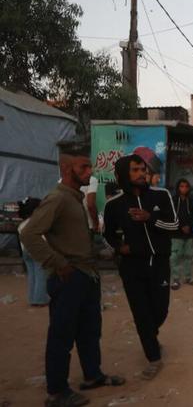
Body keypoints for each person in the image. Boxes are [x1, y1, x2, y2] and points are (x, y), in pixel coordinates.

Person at [20, 139, 125, 407]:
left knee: (90, 330)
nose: (90, 172)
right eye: (84, 167)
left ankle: (93, 375)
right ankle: (57, 392)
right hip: (70, 277)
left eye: (90, 166)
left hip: (86, 274)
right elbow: (29, 233)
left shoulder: (74, 198)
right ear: (67, 169)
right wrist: (57, 263)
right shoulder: (57, 198)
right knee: (62, 335)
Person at [103, 154, 178, 380]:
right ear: (124, 174)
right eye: (135, 170)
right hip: (131, 266)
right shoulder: (114, 205)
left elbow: (174, 225)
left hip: (159, 263)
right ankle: (153, 357)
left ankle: (150, 334)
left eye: (142, 170)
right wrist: (119, 247)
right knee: (140, 312)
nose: (141, 174)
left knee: (160, 309)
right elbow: (107, 234)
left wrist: (150, 218)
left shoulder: (161, 195)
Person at [17, 197, 49, 307]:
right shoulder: (38, 222)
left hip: (26, 251)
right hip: (37, 249)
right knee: (41, 273)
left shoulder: (22, 224)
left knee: (32, 274)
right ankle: (40, 299)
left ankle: (32, 298)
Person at [170, 179, 193, 289]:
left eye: (186, 186)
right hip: (176, 233)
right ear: (178, 188)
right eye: (181, 186)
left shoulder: (191, 201)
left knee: (188, 255)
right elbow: (171, 216)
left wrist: (189, 226)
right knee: (175, 256)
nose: (184, 189)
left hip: (189, 233)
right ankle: (176, 279)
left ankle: (188, 277)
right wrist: (181, 226)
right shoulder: (173, 200)